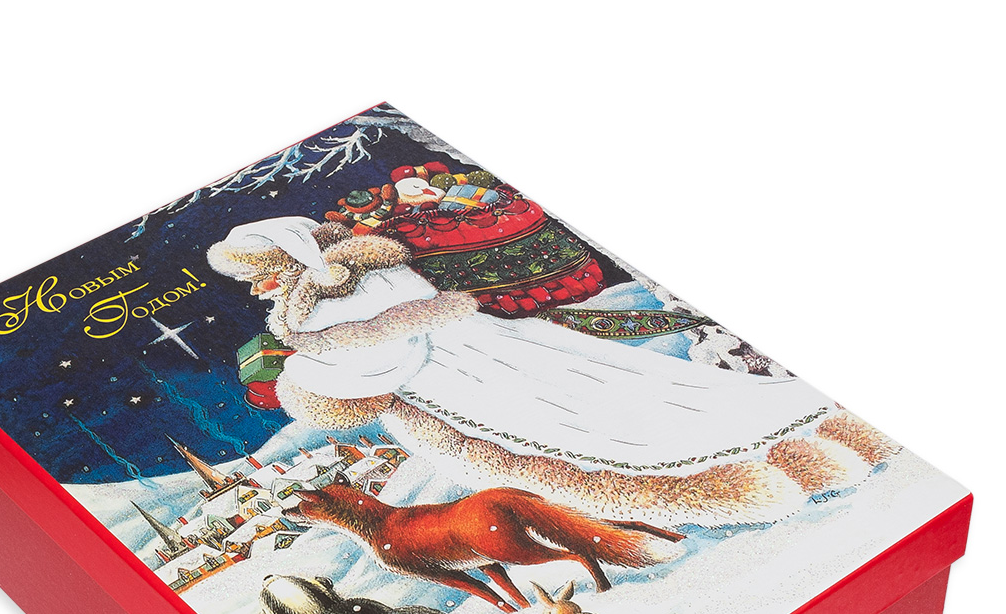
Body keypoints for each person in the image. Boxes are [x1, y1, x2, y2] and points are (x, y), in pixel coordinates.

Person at [208, 216, 896, 527]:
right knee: (624, 402)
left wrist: (307, 384)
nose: (257, 288)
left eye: (261, 274)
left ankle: (739, 487)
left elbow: (384, 356)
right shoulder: (353, 283)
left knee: (584, 431)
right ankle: (813, 449)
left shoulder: (344, 296)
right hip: (482, 356)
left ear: (287, 263)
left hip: (465, 382)